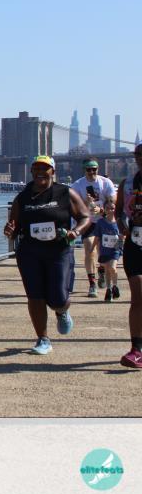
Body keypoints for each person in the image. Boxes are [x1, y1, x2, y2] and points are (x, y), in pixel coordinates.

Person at [4, 155, 91, 355]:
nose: (40, 172)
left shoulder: (65, 193)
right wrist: (9, 230)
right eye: (36, 169)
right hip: (30, 252)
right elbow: (13, 227)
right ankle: (43, 339)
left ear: (53, 171)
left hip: (58, 250)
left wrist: (76, 232)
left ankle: (62, 311)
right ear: (31, 172)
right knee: (35, 296)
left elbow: (85, 216)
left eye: (45, 169)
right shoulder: (23, 197)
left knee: (58, 298)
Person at [70, 157, 117, 297]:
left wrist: (101, 210)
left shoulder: (105, 182)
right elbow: (73, 206)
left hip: (103, 220)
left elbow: (113, 201)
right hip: (88, 221)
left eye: (94, 169)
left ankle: (101, 270)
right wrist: (86, 203)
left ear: (98, 169)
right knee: (89, 249)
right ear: (84, 170)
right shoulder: (77, 185)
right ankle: (92, 284)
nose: (91, 172)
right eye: (88, 169)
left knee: (103, 252)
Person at [114, 143, 142, 368]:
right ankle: (136, 349)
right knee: (138, 296)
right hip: (135, 243)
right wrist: (122, 226)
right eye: (138, 154)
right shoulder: (127, 184)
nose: (141, 158)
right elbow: (118, 211)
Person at [95, 198, 123, 302]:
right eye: (108, 208)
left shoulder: (119, 222)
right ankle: (109, 289)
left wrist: (119, 244)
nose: (111, 210)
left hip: (115, 250)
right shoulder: (101, 222)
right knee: (107, 270)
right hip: (104, 250)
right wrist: (93, 249)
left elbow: (123, 236)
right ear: (104, 209)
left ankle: (115, 286)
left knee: (112, 268)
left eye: (112, 208)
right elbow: (97, 238)